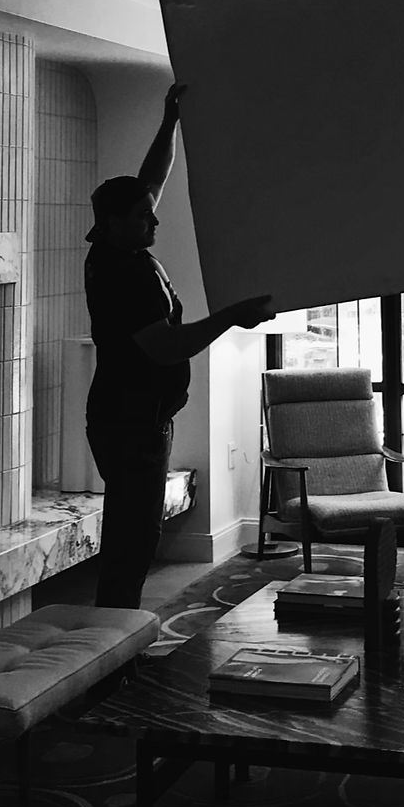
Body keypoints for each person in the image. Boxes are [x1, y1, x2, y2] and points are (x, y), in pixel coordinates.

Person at [84, 82, 275, 609]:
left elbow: (151, 181)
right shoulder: (125, 275)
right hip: (131, 425)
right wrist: (232, 316)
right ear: (113, 222)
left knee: (134, 534)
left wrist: (170, 121)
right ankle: (111, 647)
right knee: (133, 541)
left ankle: (113, 636)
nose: (155, 220)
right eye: (145, 217)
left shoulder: (110, 241)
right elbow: (167, 348)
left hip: (132, 418)